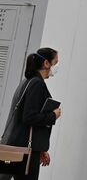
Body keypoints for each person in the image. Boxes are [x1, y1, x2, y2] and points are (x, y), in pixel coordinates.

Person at [0, 48, 62, 180]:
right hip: (26, 151)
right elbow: (29, 117)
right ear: (46, 63)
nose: (56, 67)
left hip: (20, 146)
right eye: (55, 63)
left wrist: (40, 149)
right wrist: (53, 115)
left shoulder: (27, 82)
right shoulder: (37, 84)